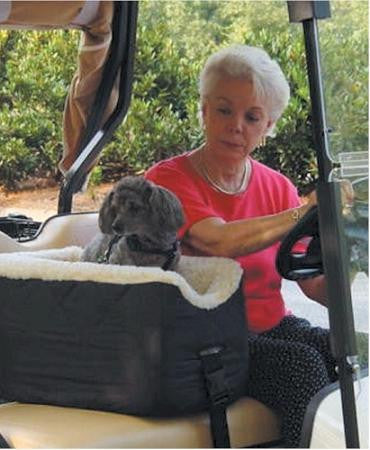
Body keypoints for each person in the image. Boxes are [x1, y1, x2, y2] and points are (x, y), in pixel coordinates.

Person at [145, 44, 339, 447]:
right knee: (302, 368)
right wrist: (305, 212)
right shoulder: (167, 180)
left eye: (251, 117)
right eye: (223, 110)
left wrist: (351, 262)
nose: (236, 126)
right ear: (204, 111)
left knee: (351, 352)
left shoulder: (277, 187)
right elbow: (218, 240)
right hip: (203, 342)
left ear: (268, 126)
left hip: (271, 327)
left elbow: (313, 284)